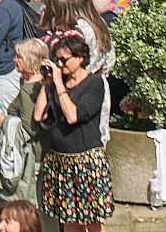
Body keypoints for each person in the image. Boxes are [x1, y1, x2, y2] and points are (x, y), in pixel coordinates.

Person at [34, 35, 112, 232]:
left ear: (80, 58)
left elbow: (72, 116)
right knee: (69, 219)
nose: (60, 64)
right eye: (57, 59)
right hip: (61, 162)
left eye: (64, 60)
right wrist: (47, 83)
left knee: (92, 220)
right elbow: (39, 115)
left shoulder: (94, 84)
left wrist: (59, 83)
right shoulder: (59, 83)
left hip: (86, 163)